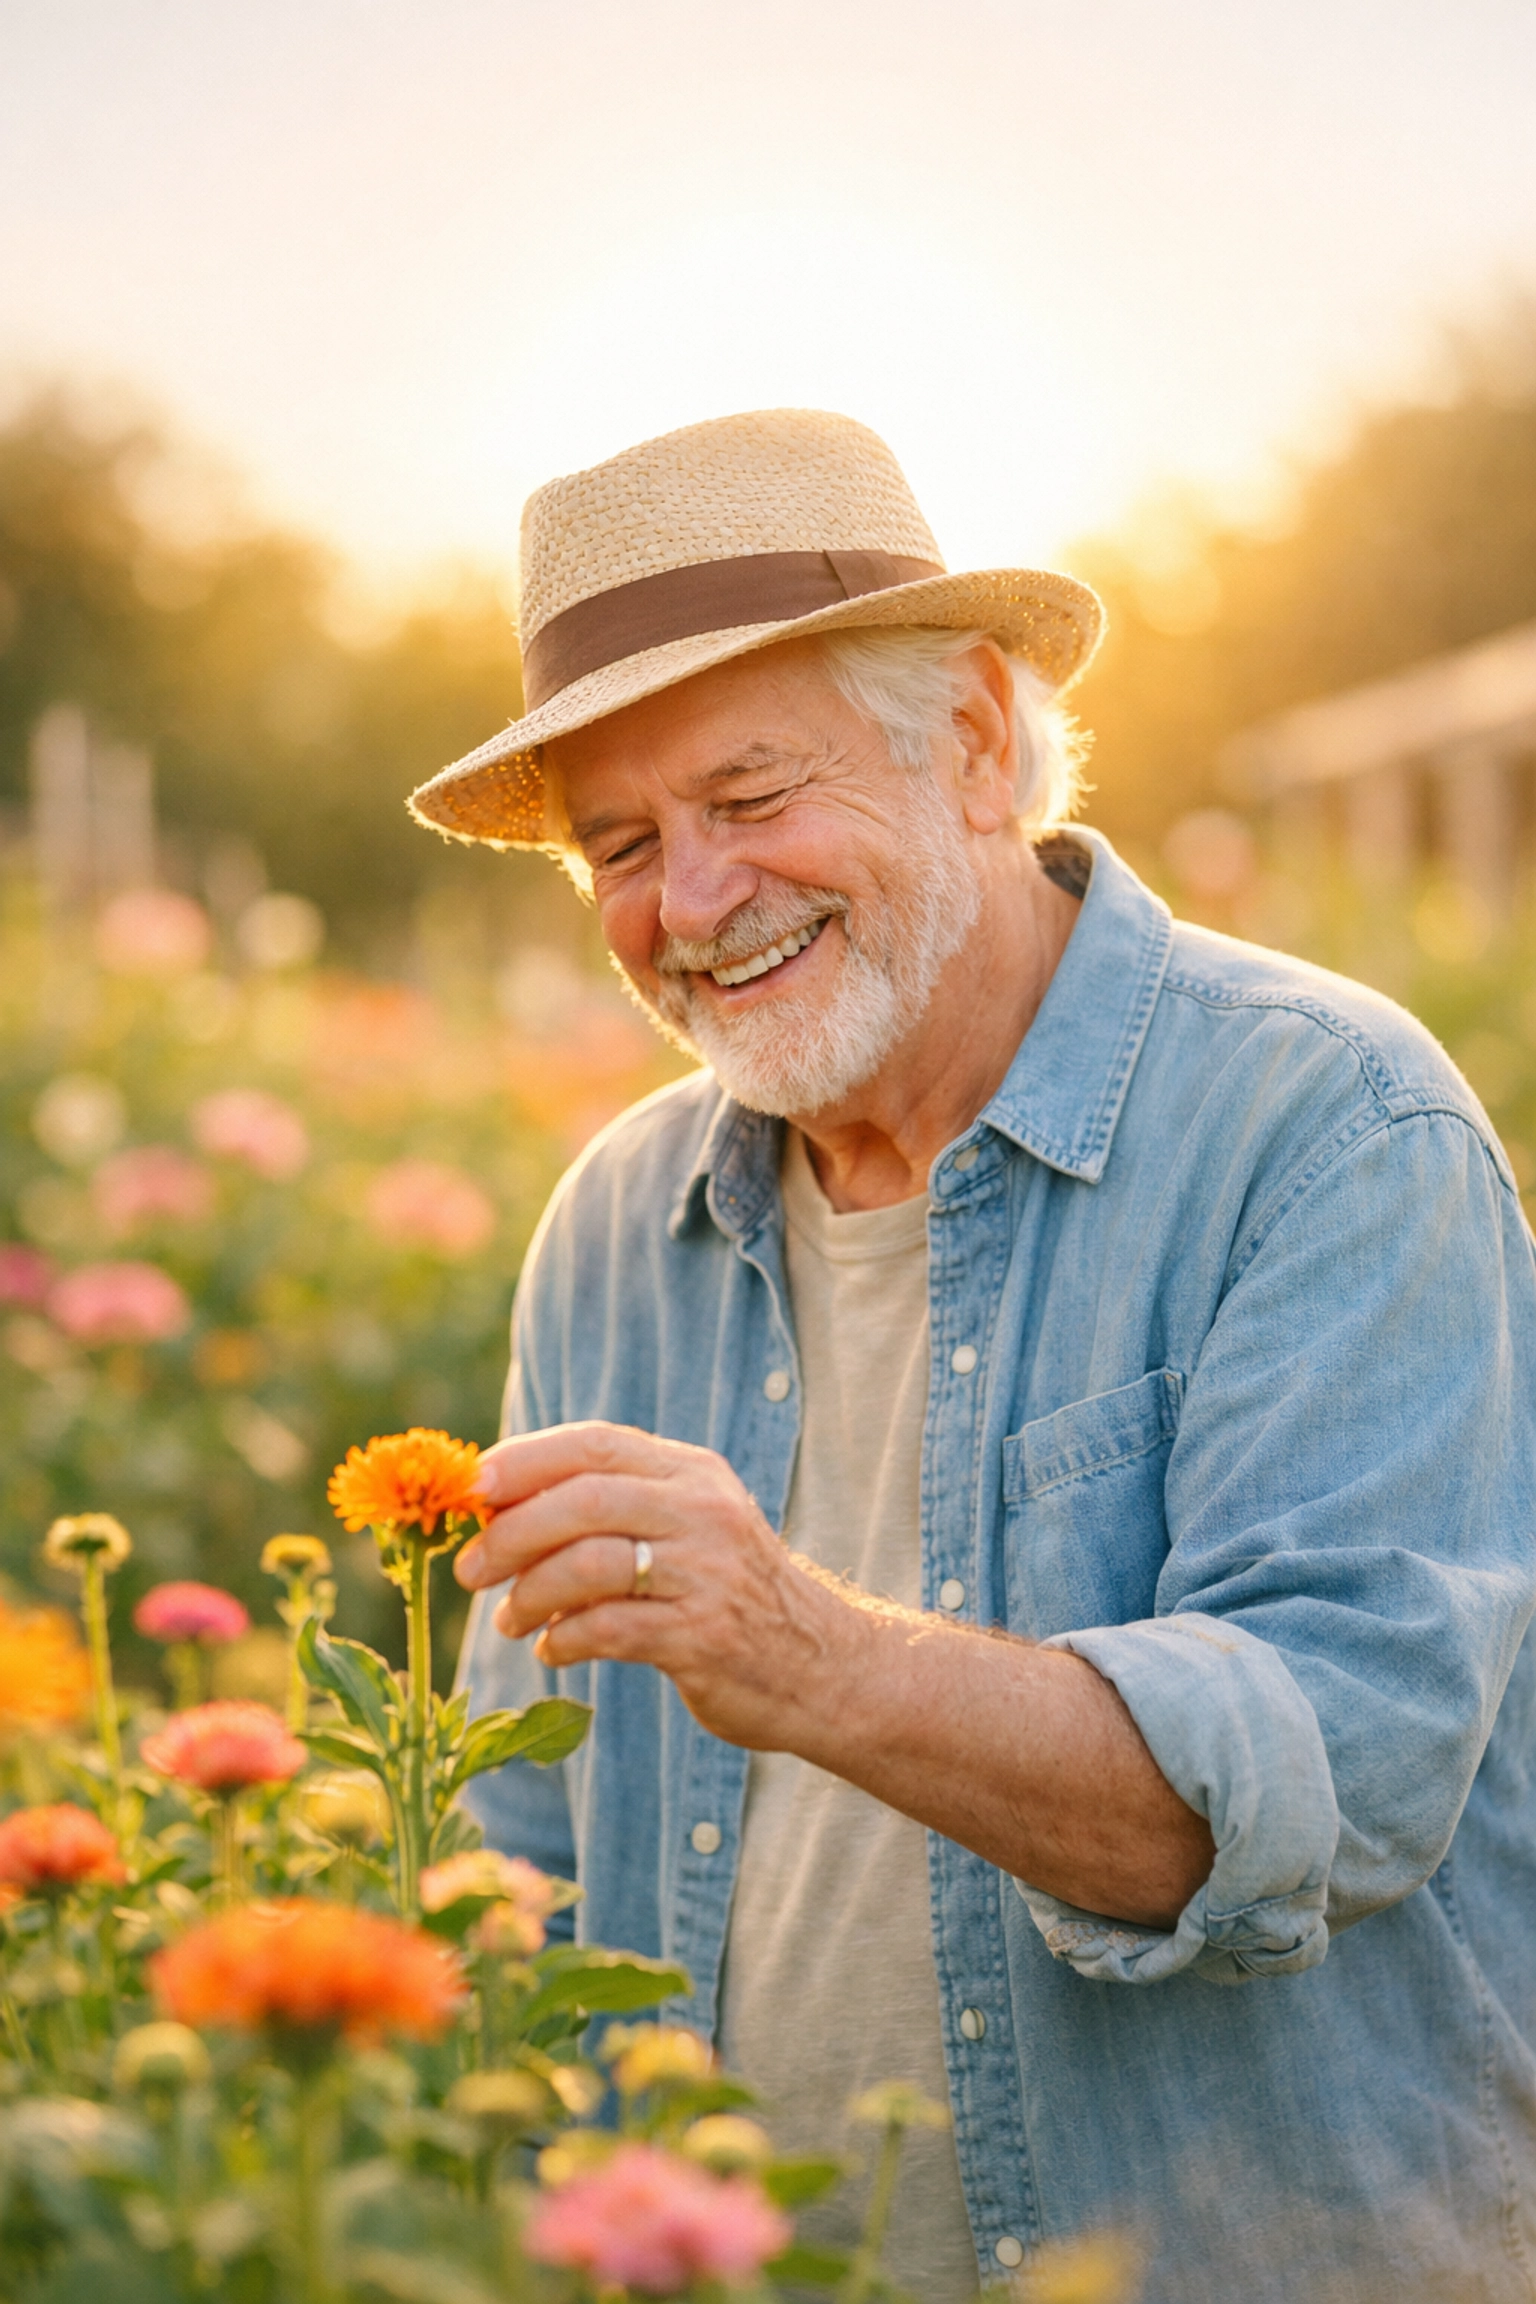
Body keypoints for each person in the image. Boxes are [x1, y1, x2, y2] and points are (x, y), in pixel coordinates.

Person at [412, 409, 1536, 2303]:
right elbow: (518, 1835)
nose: (690, 904)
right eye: (623, 844)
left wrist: (805, 1649)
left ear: (979, 745)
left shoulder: (1323, 1126)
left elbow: (1331, 1775)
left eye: (753, 797)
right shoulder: (617, 1227)